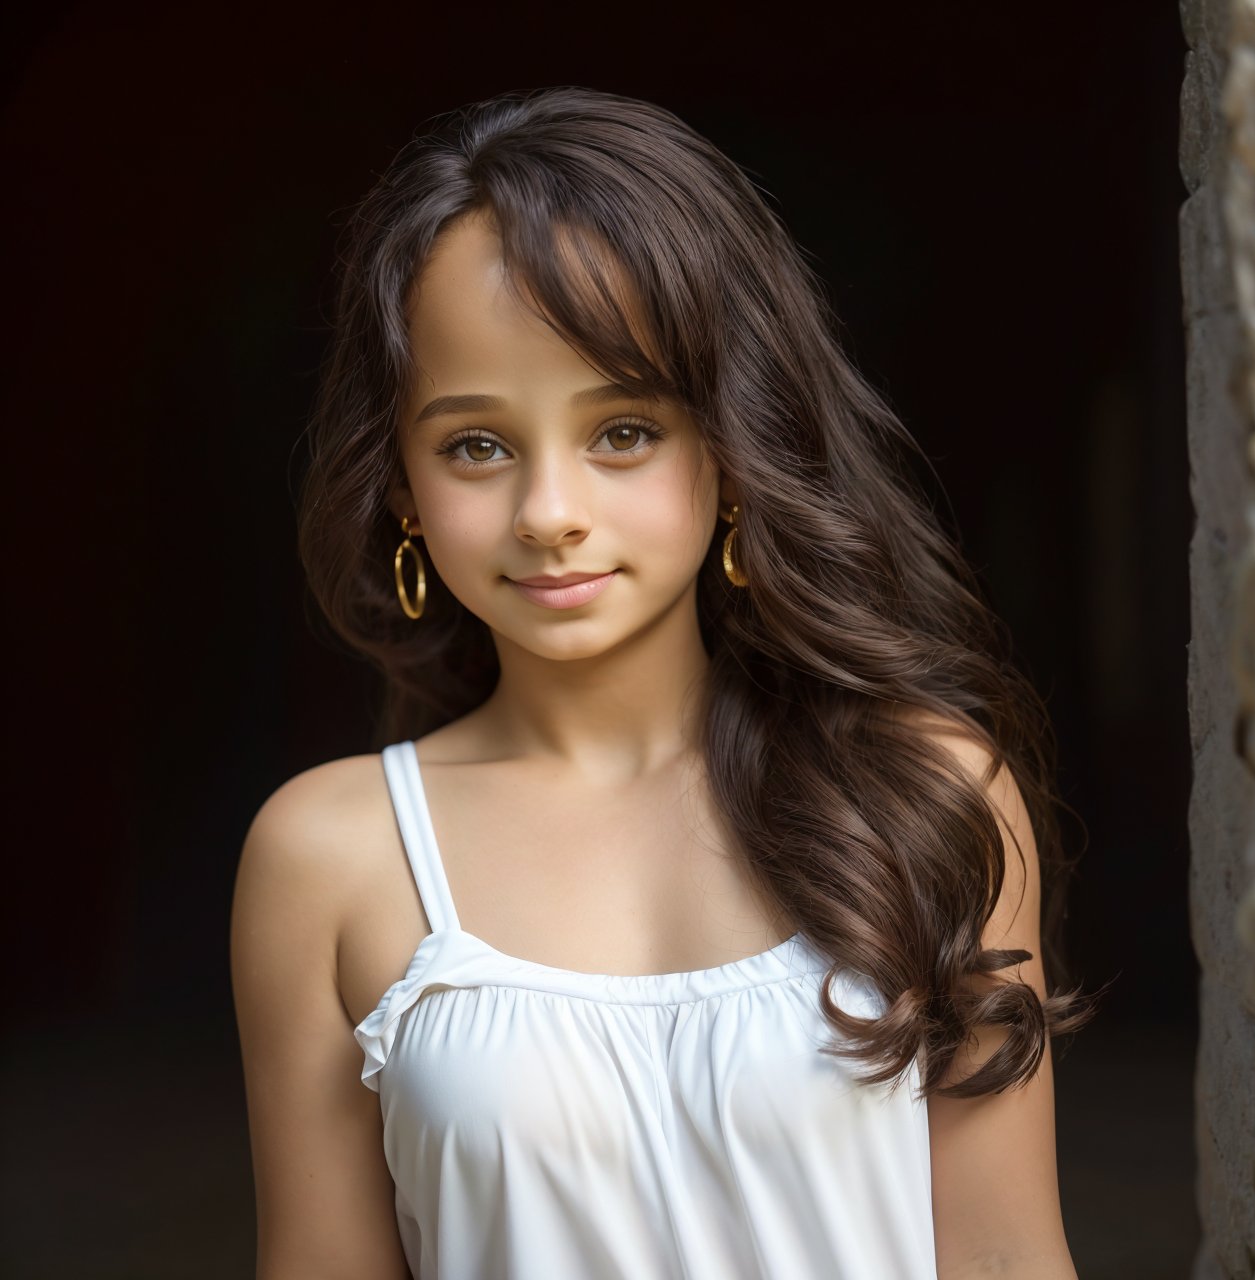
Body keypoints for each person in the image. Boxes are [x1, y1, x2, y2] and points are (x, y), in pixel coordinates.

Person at [231, 85, 1095, 1280]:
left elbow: (1006, 1259)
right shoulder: (329, 856)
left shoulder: (927, 797)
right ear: (399, 488)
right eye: (475, 444)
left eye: (622, 429)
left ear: (735, 448)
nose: (548, 514)